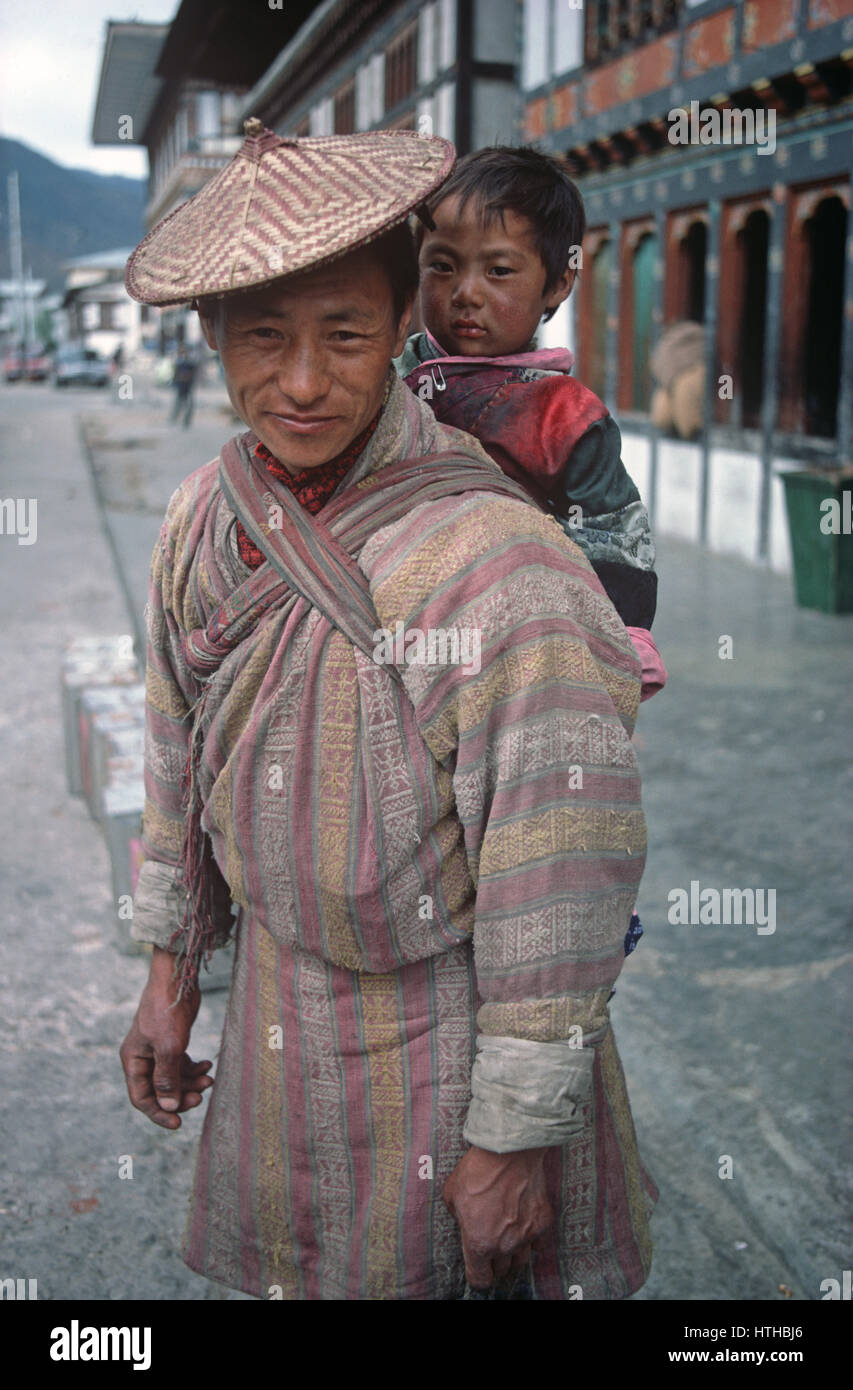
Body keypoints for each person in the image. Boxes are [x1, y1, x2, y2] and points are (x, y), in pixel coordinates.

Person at [119, 122, 657, 1301]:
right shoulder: (204, 522)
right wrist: (170, 970)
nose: (302, 382)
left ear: (401, 320)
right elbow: (174, 751)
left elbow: (561, 865)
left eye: (346, 335)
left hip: (447, 1037)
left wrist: (512, 1135)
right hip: (274, 1009)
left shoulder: (497, 561)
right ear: (211, 338)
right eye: (262, 338)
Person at [395, 145, 666, 701]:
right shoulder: (389, 375)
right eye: (441, 265)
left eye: (498, 271)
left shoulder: (564, 414)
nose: (465, 293)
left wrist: (619, 635)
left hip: (509, 646)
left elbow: (613, 532)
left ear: (558, 285)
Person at [170, 345, 197, 428]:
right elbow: (176, 375)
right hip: (181, 387)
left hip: (187, 387)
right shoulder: (179, 363)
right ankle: (174, 418)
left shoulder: (189, 364)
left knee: (188, 405)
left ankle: (186, 421)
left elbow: (192, 375)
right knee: (179, 404)